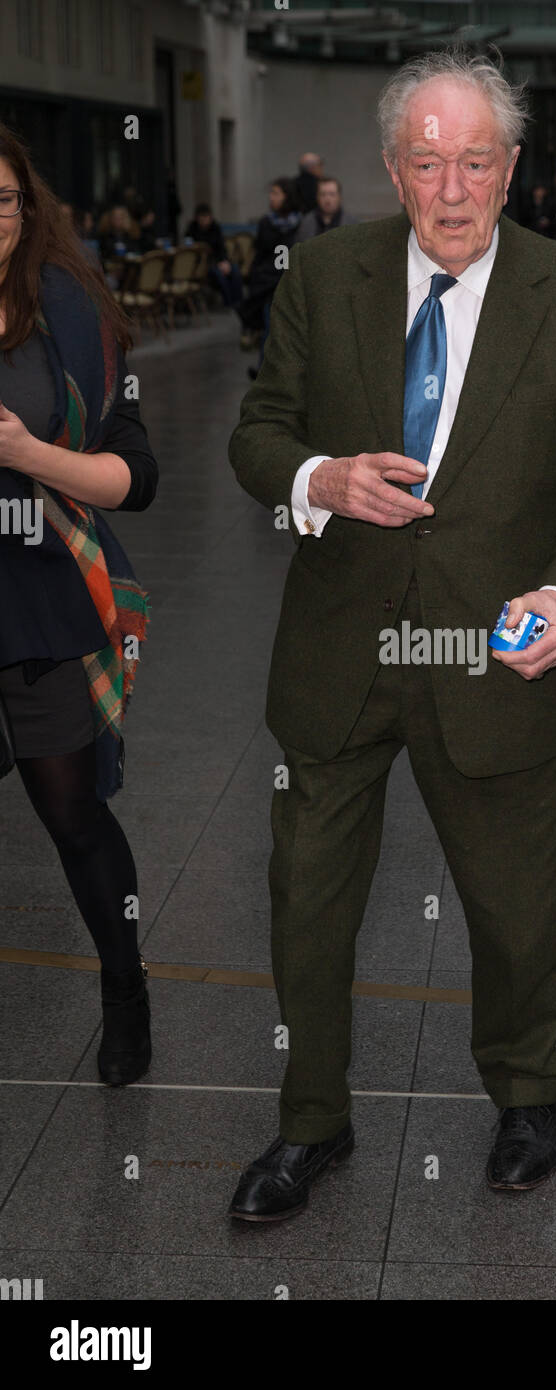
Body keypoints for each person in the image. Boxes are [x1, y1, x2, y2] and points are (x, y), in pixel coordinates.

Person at [228, 48, 556, 1223]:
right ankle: (311, 1120)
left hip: (494, 662)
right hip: (338, 660)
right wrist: (319, 474)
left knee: (515, 914)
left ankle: (525, 1096)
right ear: (391, 170)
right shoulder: (322, 277)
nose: (451, 189)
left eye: (474, 161)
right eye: (426, 162)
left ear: (508, 170)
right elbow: (258, 433)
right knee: (305, 904)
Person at [0, 124, 158, 1086]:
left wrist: (27, 454)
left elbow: (134, 476)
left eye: (4, 200)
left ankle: (125, 988)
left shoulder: (65, 310)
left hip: (43, 594)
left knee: (73, 814)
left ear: (27, 207)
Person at [237, 178, 302, 379]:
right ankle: (264, 372)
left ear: (287, 196)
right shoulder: (266, 222)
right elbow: (261, 255)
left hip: (293, 284)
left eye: (276, 193)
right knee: (269, 329)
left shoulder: (301, 223)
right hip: (268, 285)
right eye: (271, 193)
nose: (271, 197)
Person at [183, 202, 243, 306]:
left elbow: (222, 248)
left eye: (206, 217)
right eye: (201, 217)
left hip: (219, 260)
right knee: (219, 275)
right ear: (197, 218)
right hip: (203, 264)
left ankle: (239, 301)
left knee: (235, 270)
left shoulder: (215, 228)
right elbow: (191, 250)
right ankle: (229, 302)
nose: (204, 220)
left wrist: (225, 262)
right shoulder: (192, 229)